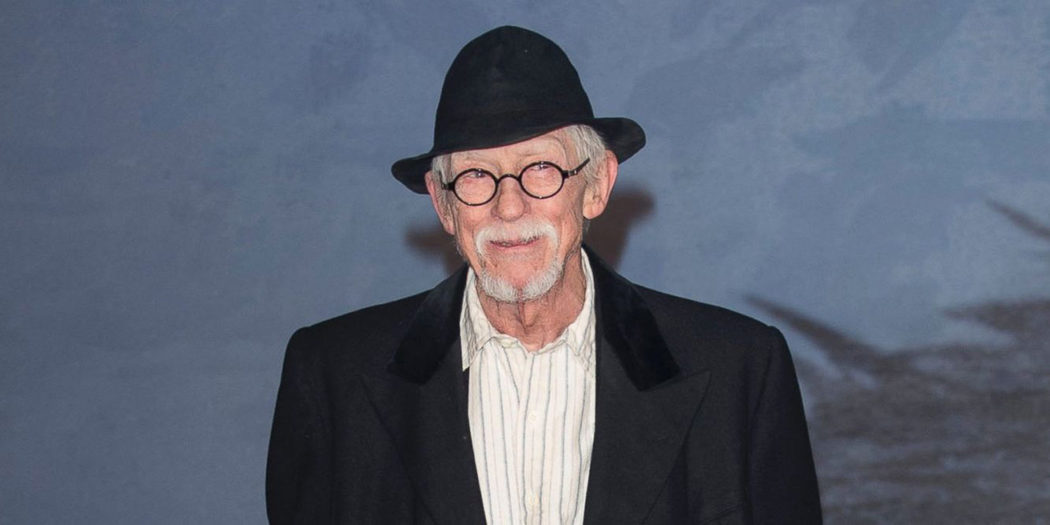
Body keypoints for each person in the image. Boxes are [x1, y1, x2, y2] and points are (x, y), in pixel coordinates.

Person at [266, 25, 821, 524]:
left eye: (541, 169)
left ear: (597, 185)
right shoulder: (333, 377)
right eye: (476, 175)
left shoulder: (738, 371)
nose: (509, 208)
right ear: (443, 204)